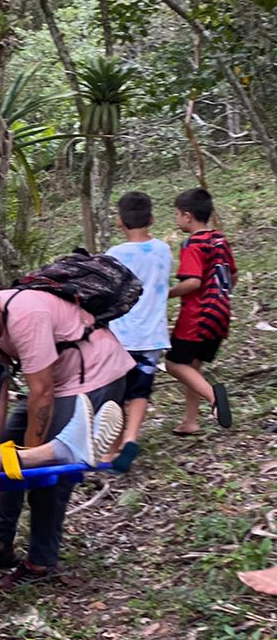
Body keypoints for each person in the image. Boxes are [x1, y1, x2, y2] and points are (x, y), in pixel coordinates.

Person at [0, 282, 132, 585]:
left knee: (49, 471)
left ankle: (41, 562)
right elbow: (0, 392)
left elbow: (43, 391)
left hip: (92, 374)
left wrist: (30, 458)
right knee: (7, 452)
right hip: (55, 379)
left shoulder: (25, 315)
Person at [103, 190, 173, 473]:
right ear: (152, 219)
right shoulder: (163, 250)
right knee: (141, 389)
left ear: (119, 221)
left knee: (117, 392)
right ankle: (131, 438)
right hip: (152, 334)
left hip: (121, 334)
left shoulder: (114, 255)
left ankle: (110, 450)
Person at [165, 187, 235, 435]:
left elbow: (192, 282)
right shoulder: (219, 239)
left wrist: (166, 293)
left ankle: (213, 398)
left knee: (174, 363)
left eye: (176, 214)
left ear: (187, 215)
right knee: (192, 366)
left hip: (197, 316)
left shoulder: (193, 244)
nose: (176, 219)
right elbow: (232, 275)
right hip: (221, 314)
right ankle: (190, 421)